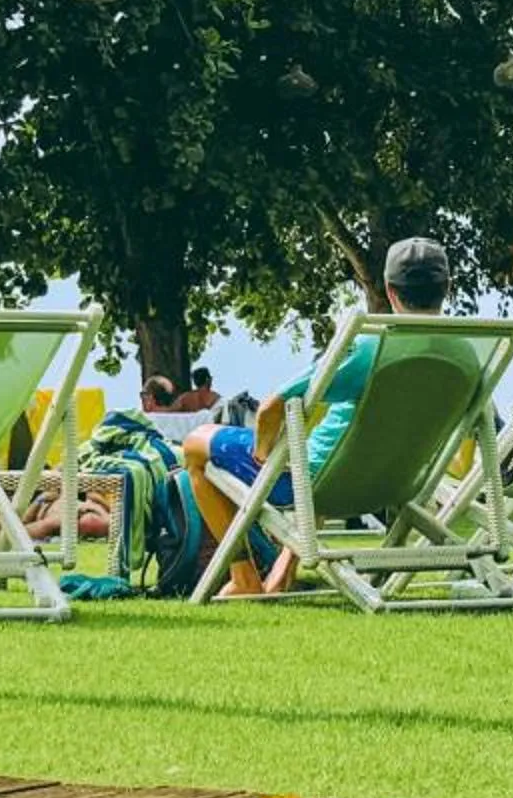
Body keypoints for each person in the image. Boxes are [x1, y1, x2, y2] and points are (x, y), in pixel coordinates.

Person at [180, 236, 452, 600]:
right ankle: (281, 573)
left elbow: (273, 406)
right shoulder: (465, 351)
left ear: (389, 290)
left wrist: (263, 455)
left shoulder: (373, 349)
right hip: (397, 485)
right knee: (329, 446)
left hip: (321, 481)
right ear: (447, 288)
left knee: (196, 444)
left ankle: (243, 576)